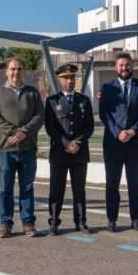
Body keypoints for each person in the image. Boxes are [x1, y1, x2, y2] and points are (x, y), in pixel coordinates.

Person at [0, 58, 45, 238]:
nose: (16, 72)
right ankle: (6, 224)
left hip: (27, 149)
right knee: (6, 189)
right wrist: (14, 131)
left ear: (24, 71)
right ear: (6, 71)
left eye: (19, 69)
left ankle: (28, 224)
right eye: (12, 69)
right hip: (5, 150)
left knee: (27, 188)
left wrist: (24, 132)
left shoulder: (32, 93)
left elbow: (40, 115)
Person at [99, 52, 138, 232]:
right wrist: (118, 132)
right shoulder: (107, 87)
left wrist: (133, 130)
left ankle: (135, 219)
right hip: (113, 143)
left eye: (127, 65)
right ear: (115, 67)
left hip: (135, 142)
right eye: (121, 65)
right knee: (112, 183)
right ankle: (112, 219)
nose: (124, 68)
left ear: (132, 66)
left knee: (134, 182)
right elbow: (104, 112)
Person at [44, 64, 94, 236]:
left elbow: (89, 127)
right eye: (66, 78)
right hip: (59, 152)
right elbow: (50, 128)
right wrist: (66, 143)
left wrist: (77, 143)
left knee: (79, 190)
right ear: (59, 80)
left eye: (72, 77)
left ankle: (80, 222)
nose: (69, 81)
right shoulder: (52, 102)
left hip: (79, 153)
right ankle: (54, 223)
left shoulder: (84, 101)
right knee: (56, 190)